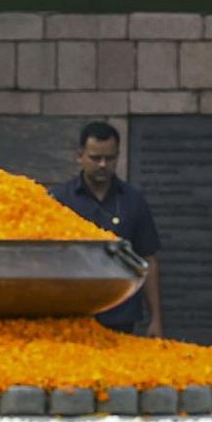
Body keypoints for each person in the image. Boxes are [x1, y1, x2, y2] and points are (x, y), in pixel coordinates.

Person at [50, 121, 163, 337]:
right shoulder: (60, 200)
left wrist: (155, 318)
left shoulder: (133, 200)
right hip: (73, 314)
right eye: (95, 158)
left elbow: (148, 258)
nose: (103, 164)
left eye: (110, 158)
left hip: (121, 313)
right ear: (80, 155)